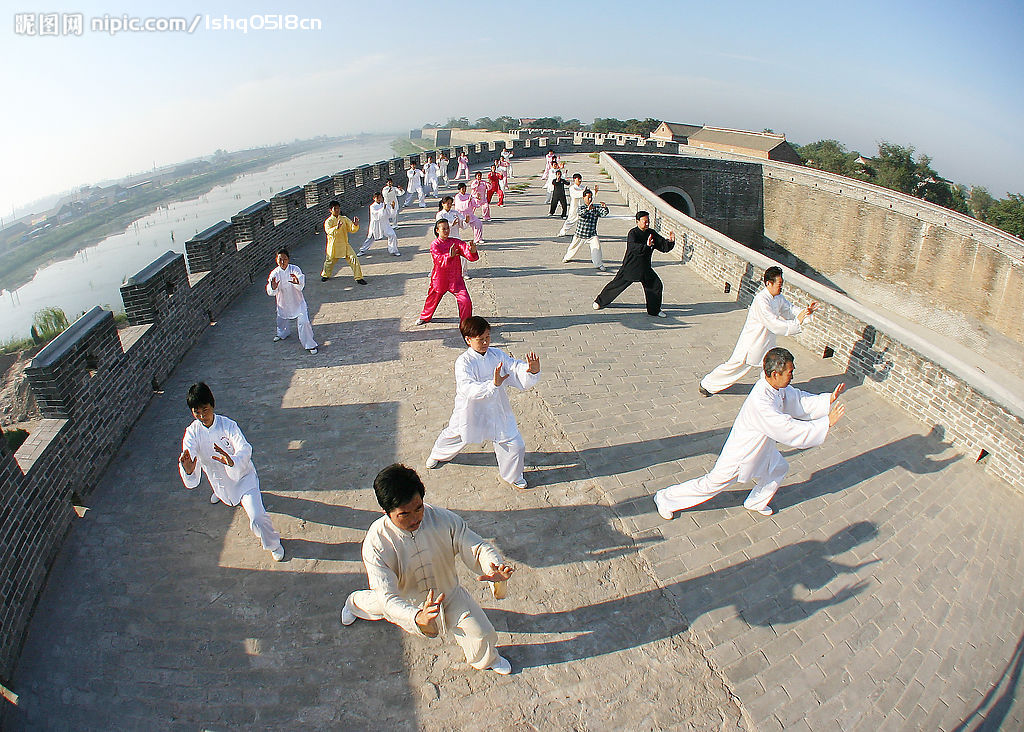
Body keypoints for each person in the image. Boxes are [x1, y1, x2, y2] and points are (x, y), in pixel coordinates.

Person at [341, 464, 515, 675]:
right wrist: (416, 617)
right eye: (404, 514)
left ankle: (484, 660)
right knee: (377, 603)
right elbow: (388, 597)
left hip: (448, 594)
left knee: (483, 633)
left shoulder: (443, 519)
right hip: (405, 600)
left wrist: (492, 565)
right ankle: (353, 603)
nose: (415, 518)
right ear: (386, 512)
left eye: (419, 508)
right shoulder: (376, 543)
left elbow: (475, 546)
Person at [654, 348, 846, 518]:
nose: (792, 375)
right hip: (742, 454)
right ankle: (665, 498)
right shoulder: (762, 402)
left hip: (763, 447)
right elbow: (787, 428)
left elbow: (796, 399)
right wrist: (826, 423)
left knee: (779, 468)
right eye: (790, 372)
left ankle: (756, 501)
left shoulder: (774, 387)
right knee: (711, 484)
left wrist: (827, 399)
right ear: (774, 373)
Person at [426, 316, 541, 489]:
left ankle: (513, 475)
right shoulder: (463, 362)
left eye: (488, 337)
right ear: (468, 340)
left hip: (497, 408)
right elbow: (467, 388)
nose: (486, 342)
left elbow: (513, 366)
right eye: (481, 339)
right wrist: (492, 385)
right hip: (470, 409)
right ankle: (439, 453)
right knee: (456, 433)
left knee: (514, 443)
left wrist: (530, 370)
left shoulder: (497, 354)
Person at [178, 382, 285, 561]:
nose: (202, 415)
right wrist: (189, 470)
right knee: (223, 491)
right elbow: (190, 454)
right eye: (197, 411)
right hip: (218, 481)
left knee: (257, 517)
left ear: (212, 405)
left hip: (243, 479)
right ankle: (221, 494)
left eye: (205, 409)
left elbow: (244, 448)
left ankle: (273, 543)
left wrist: (232, 460)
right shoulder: (192, 432)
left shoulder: (228, 426)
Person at [699, 266, 820, 397]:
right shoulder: (761, 300)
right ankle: (707, 384)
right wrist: (797, 323)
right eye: (779, 284)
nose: (781, 287)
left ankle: (769, 391)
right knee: (734, 366)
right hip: (753, 342)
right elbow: (773, 323)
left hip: (767, 341)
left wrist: (805, 312)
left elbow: (789, 309)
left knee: (770, 365)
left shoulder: (778, 298)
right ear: (769, 283)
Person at [593, 210, 676, 317]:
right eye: (644, 221)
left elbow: (662, 246)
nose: (647, 223)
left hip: (645, 268)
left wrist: (670, 242)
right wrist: (646, 246)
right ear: (637, 222)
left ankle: (654, 310)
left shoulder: (651, 233)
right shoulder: (633, 233)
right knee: (616, 285)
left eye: (648, 221)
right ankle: (600, 301)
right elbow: (633, 247)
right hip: (630, 267)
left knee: (656, 285)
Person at [416, 219, 478, 325]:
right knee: (432, 299)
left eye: (447, 228)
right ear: (437, 230)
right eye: (443, 229)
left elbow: (467, 252)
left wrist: (472, 251)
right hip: (440, 278)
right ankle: (425, 316)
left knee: (465, 301)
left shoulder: (455, 242)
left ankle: (466, 323)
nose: (446, 231)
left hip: (456, 278)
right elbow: (438, 259)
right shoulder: (435, 244)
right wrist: (450, 256)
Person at [266, 248, 318, 354]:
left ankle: (309, 344)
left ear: (288, 259)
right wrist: (273, 287)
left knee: (304, 322)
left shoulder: (295, 269)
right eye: (280, 259)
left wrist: (297, 282)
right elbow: (271, 291)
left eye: (284, 259)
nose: (282, 262)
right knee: (281, 318)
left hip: (298, 302)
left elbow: (301, 285)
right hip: (283, 302)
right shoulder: (274, 273)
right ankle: (282, 333)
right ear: (276, 260)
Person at [562, 189, 609, 270]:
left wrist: (605, 208)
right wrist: (588, 209)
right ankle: (567, 257)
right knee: (573, 247)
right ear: (584, 198)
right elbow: (581, 214)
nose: (589, 200)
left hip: (592, 234)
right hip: (580, 234)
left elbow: (604, 213)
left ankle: (598, 264)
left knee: (597, 248)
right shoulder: (581, 207)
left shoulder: (595, 208)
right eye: (588, 198)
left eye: (591, 198)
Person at [322, 200, 366, 284]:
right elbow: (329, 231)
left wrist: (355, 225)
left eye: (338, 208)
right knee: (329, 262)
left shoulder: (344, 219)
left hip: (344, 244)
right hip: (333, 246)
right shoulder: (328, 221)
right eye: (335, 209)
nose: (337, 210)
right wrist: (337, 227)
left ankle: (358, 277)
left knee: (354, 259)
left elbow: (351, 229)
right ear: (330, 210)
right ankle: (325, 275)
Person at [359, 192, 400, 257]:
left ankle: (393, 250)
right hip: (376, 224)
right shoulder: (372, 206)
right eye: (377, 197)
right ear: (374, 198)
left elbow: (390, 214)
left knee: (392, 235)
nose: (379, 199)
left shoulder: (384, 204)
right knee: (371, 237)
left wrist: (392, 207)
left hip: (385, 223)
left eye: (380, 197)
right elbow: (376, 214)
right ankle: (362, 250)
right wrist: (383, 208)